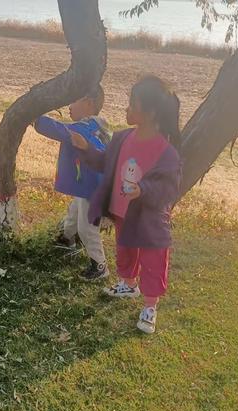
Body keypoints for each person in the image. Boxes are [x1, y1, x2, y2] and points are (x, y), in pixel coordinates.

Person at [71, 75, 182, 333]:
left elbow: (168, 189)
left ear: (151, 112)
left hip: (150, 220)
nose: (127, 108)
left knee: (153, 259)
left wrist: (142, 189)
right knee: (126, 249)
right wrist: (86, 147)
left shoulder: (167, 152)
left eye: (133, 104)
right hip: (123, 213)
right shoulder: (122, 138)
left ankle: (150, 307)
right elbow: (104, 162)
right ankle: (128, 283)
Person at [34, 85, 112, 280]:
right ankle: (67, 238)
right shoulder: (98, 128)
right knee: (74, 212)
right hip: (90, 186)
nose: (69, 105)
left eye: (73, 100)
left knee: (87, 228)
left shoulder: (84, 129)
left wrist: (35, 117)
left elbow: (58, 129)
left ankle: (99, 265)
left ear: (88, 103)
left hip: (92, 190)